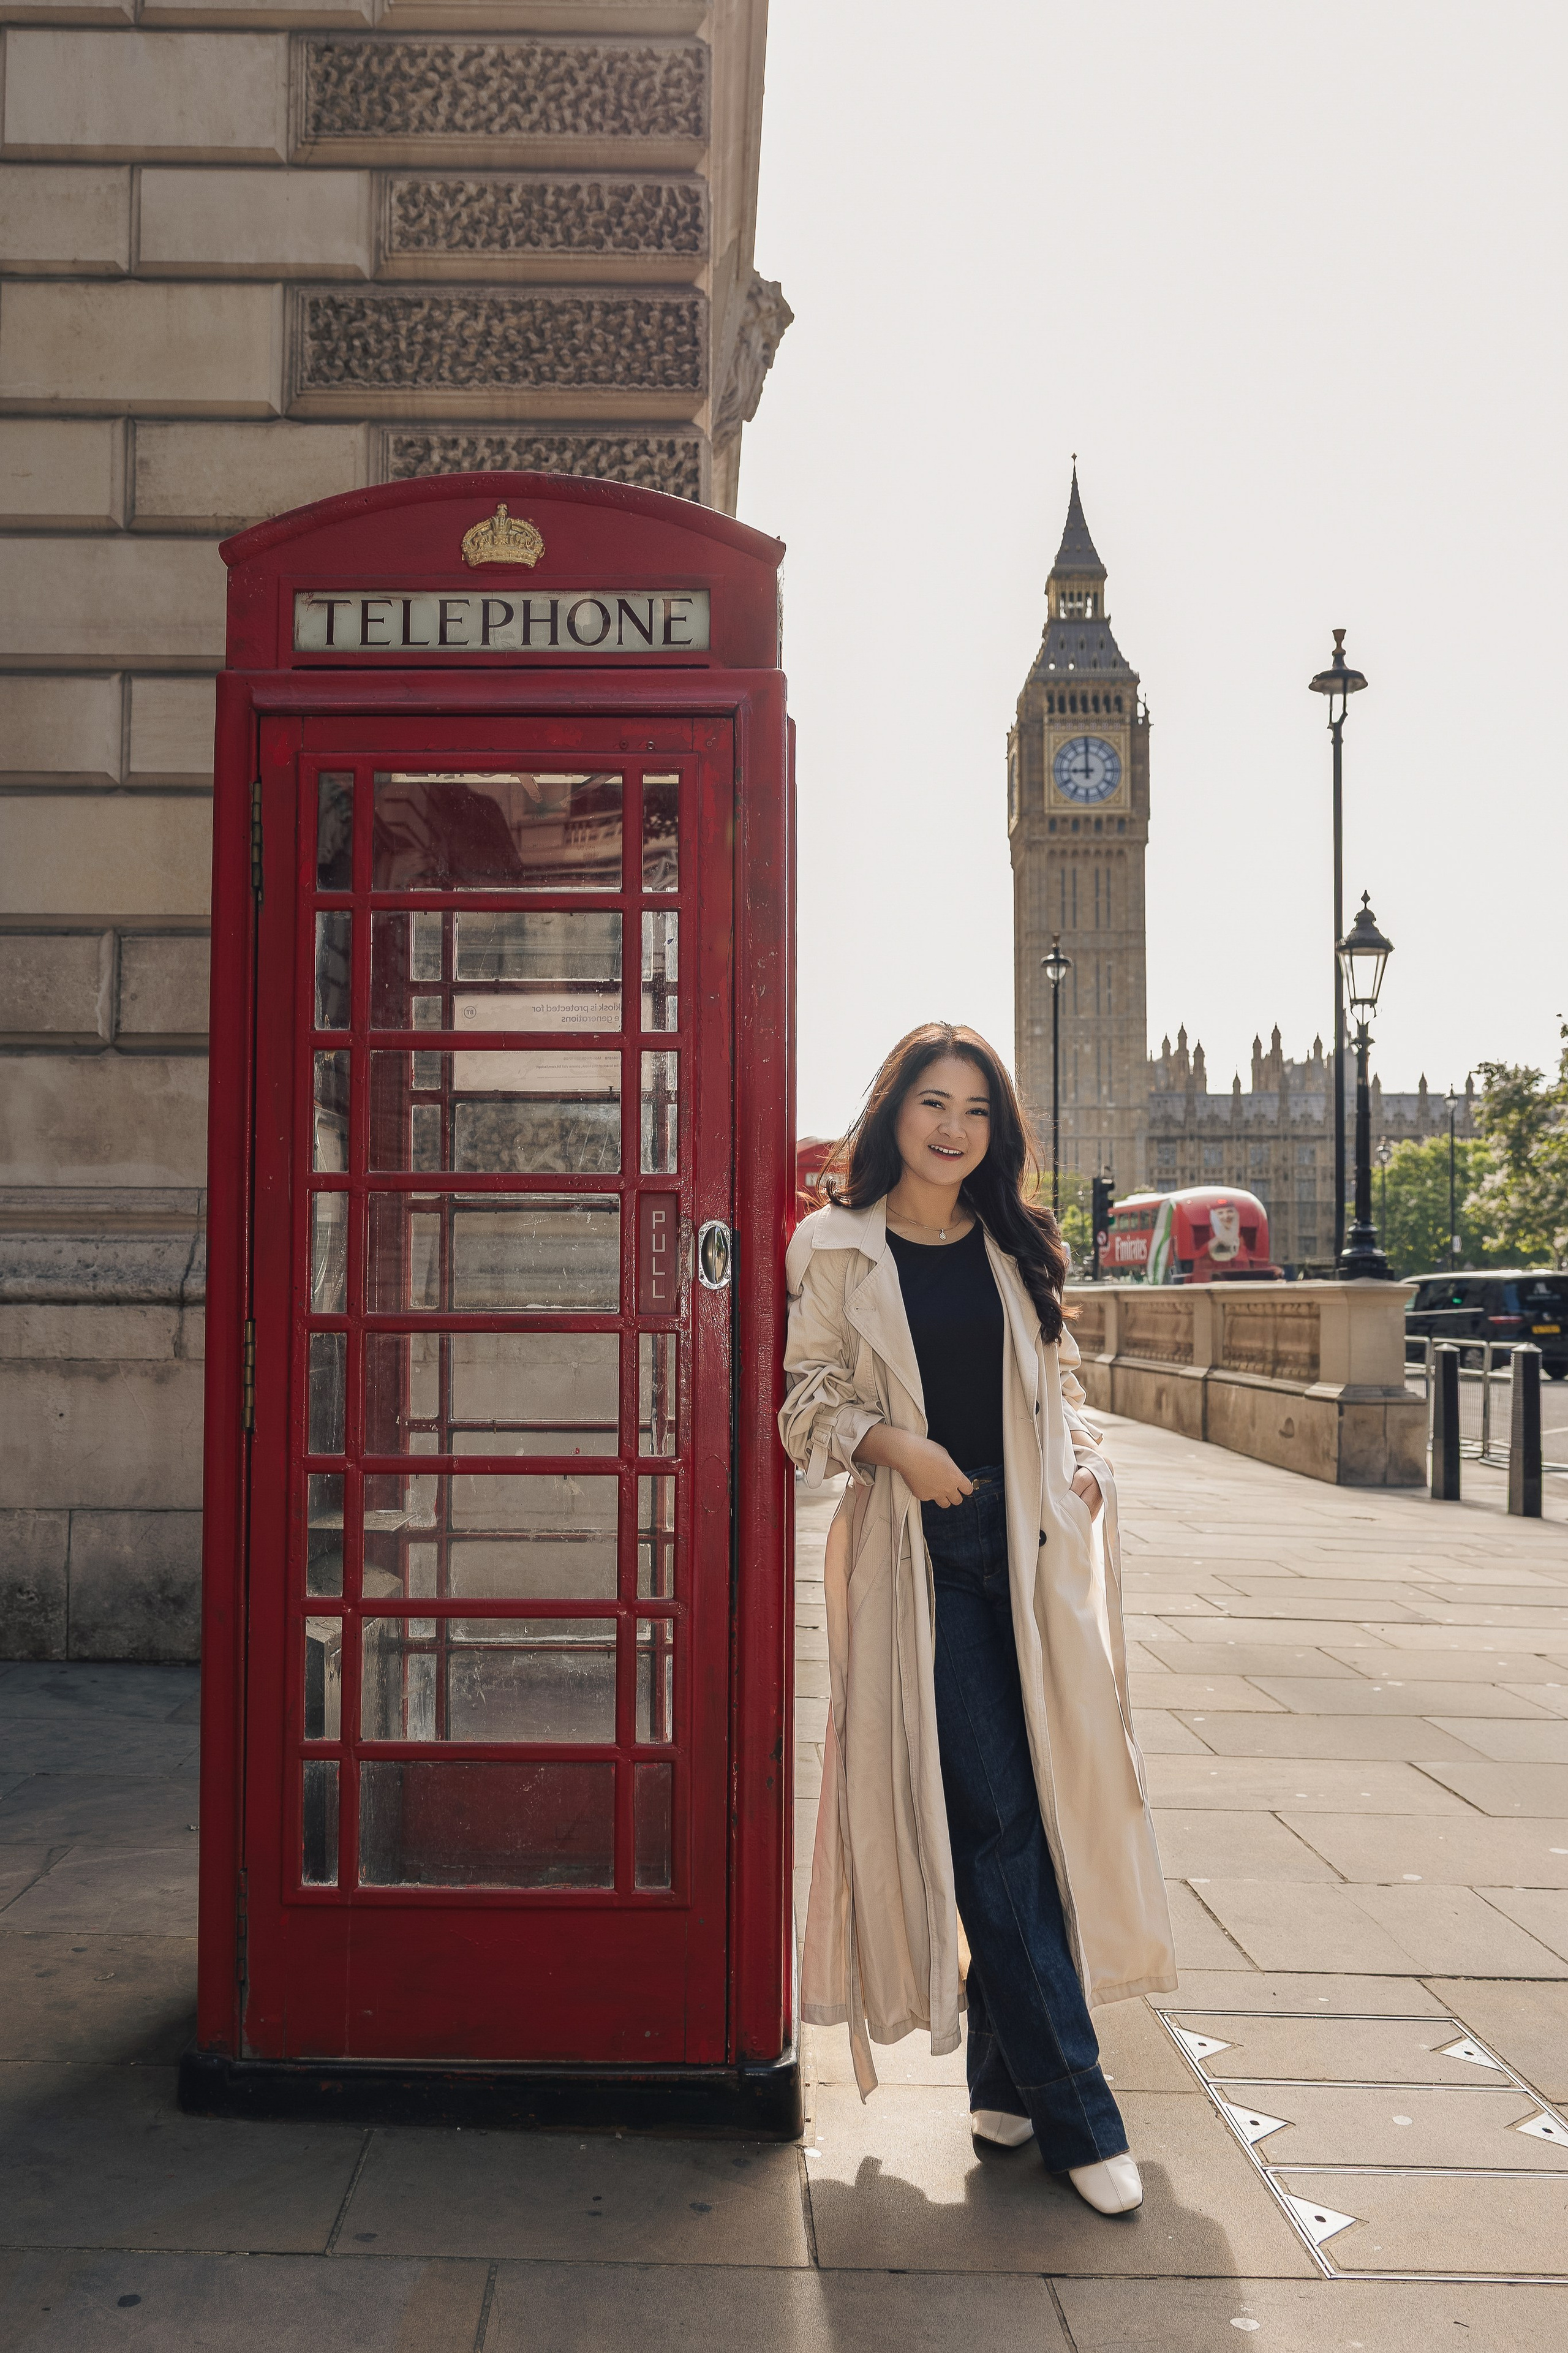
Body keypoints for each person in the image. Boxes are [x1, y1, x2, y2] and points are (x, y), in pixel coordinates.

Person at [780, 1022, 1174, 2216]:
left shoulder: (1010, 1244)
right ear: (892, 1110)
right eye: (931, 1103)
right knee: (994, 1820)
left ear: (995, 1135)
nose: (952, 1129)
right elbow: (805, 1404)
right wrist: (896, 1444)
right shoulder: (837, 1248)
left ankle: (1003, 2082)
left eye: (975, 1113)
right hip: (926, 1559)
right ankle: (1079, 2111)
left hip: (1032, 1552)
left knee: (1042, 1815)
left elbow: (1060, 1386)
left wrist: (1087, 1467)